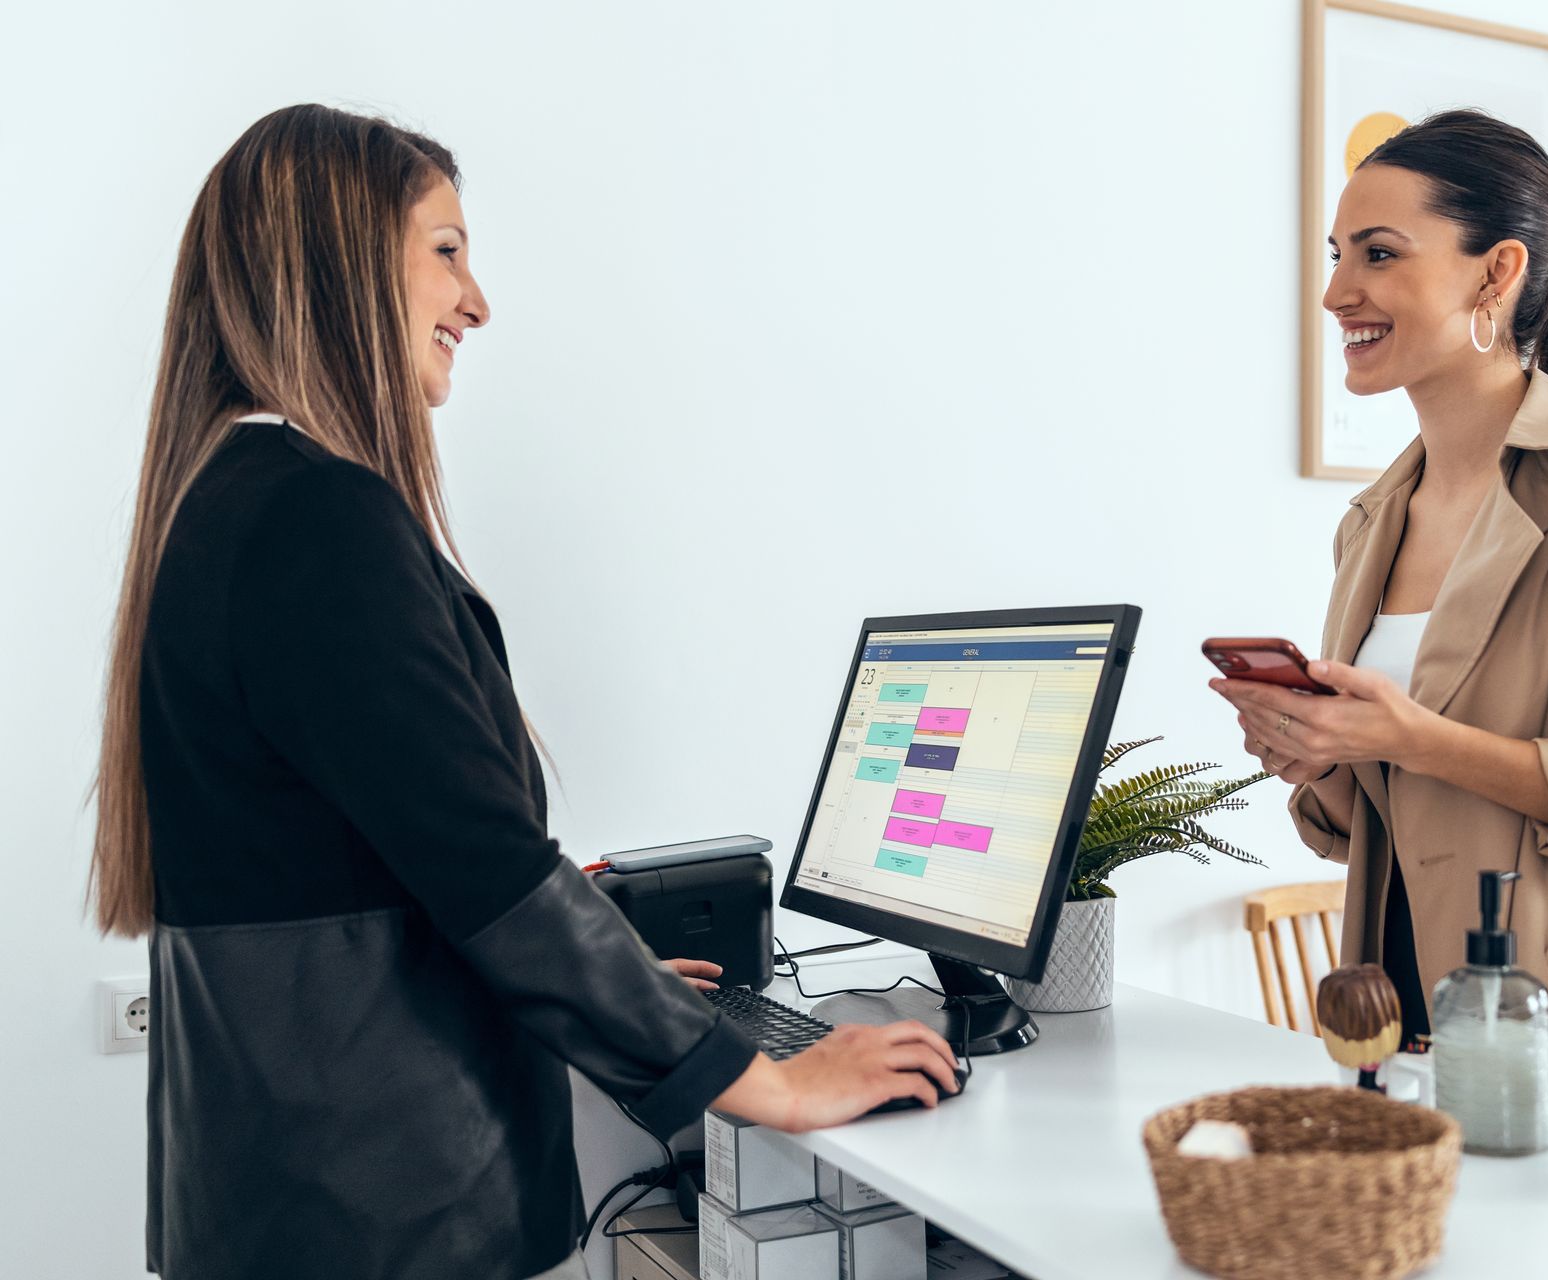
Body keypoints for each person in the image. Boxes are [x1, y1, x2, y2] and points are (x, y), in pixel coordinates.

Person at [90, 104, 957, 1280]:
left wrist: (623, 977)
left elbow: (381, 870)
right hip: (383, 1223)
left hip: (282, 1205)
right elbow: (485, 865)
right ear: (342, 261)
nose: (476, 299)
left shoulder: (226, 502)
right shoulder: (317, 519)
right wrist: (766, 1079)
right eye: (446, 249)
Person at [1211, 110, 1548, 1061]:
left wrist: (1417, 739)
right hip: (1397, 1021)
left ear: (1496, 274)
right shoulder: (1372, 520)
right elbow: (1363, 821)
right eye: (1336, 254)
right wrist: (1322, 753)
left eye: (1377, 253)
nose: (1335, 292)